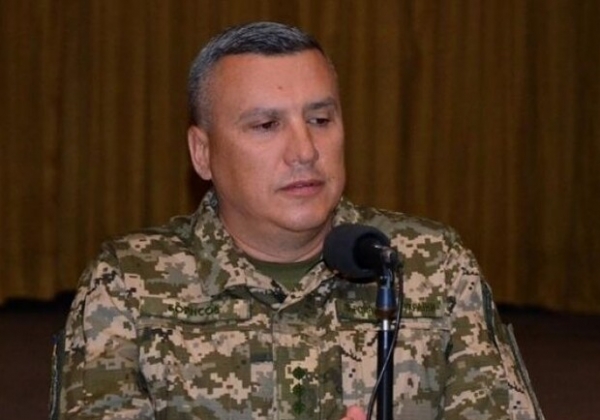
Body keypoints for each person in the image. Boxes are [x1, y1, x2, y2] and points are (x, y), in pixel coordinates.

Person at [49, 21, 544, 420]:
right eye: (267, 125)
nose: (305, 150)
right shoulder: (130, 283)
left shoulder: (429, 265)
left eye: (320, 120)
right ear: (202, 152)